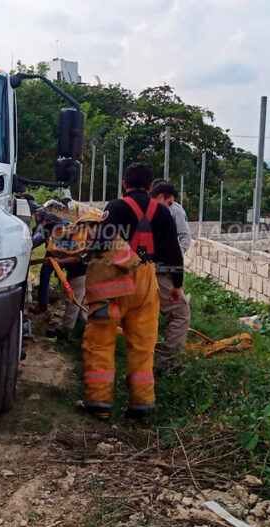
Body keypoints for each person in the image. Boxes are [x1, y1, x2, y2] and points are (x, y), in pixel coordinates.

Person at [78, 163, 184, 421]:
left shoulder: (115, 207)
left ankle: (99, 403)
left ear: (124, 183)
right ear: (150, 187)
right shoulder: (162, 212)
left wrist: (126, 259)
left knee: (101, 341)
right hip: (148, 283)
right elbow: (173, 250)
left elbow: (104, 240)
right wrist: (177, 285)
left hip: (114, 284)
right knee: (142, 345)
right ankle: (140, 405)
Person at [150, 182, 192, 372]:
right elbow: (176, 246)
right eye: (168, 202)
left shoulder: (127, 207)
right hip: (160, 270)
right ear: (160, 197)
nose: (170, 206)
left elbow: (183, 238)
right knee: (180, 314)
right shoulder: (164, 213)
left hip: (134, 269)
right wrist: (177, 281)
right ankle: (168, 365)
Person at [30, 204, 69, 314]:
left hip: (64, 249)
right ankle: (43, 304)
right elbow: (38, 239)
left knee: (47, 273)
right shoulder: (46, 224)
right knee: (45, 273)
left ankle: (43, 305)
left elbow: (39, 238)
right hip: (55, 249)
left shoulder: (52, 223)